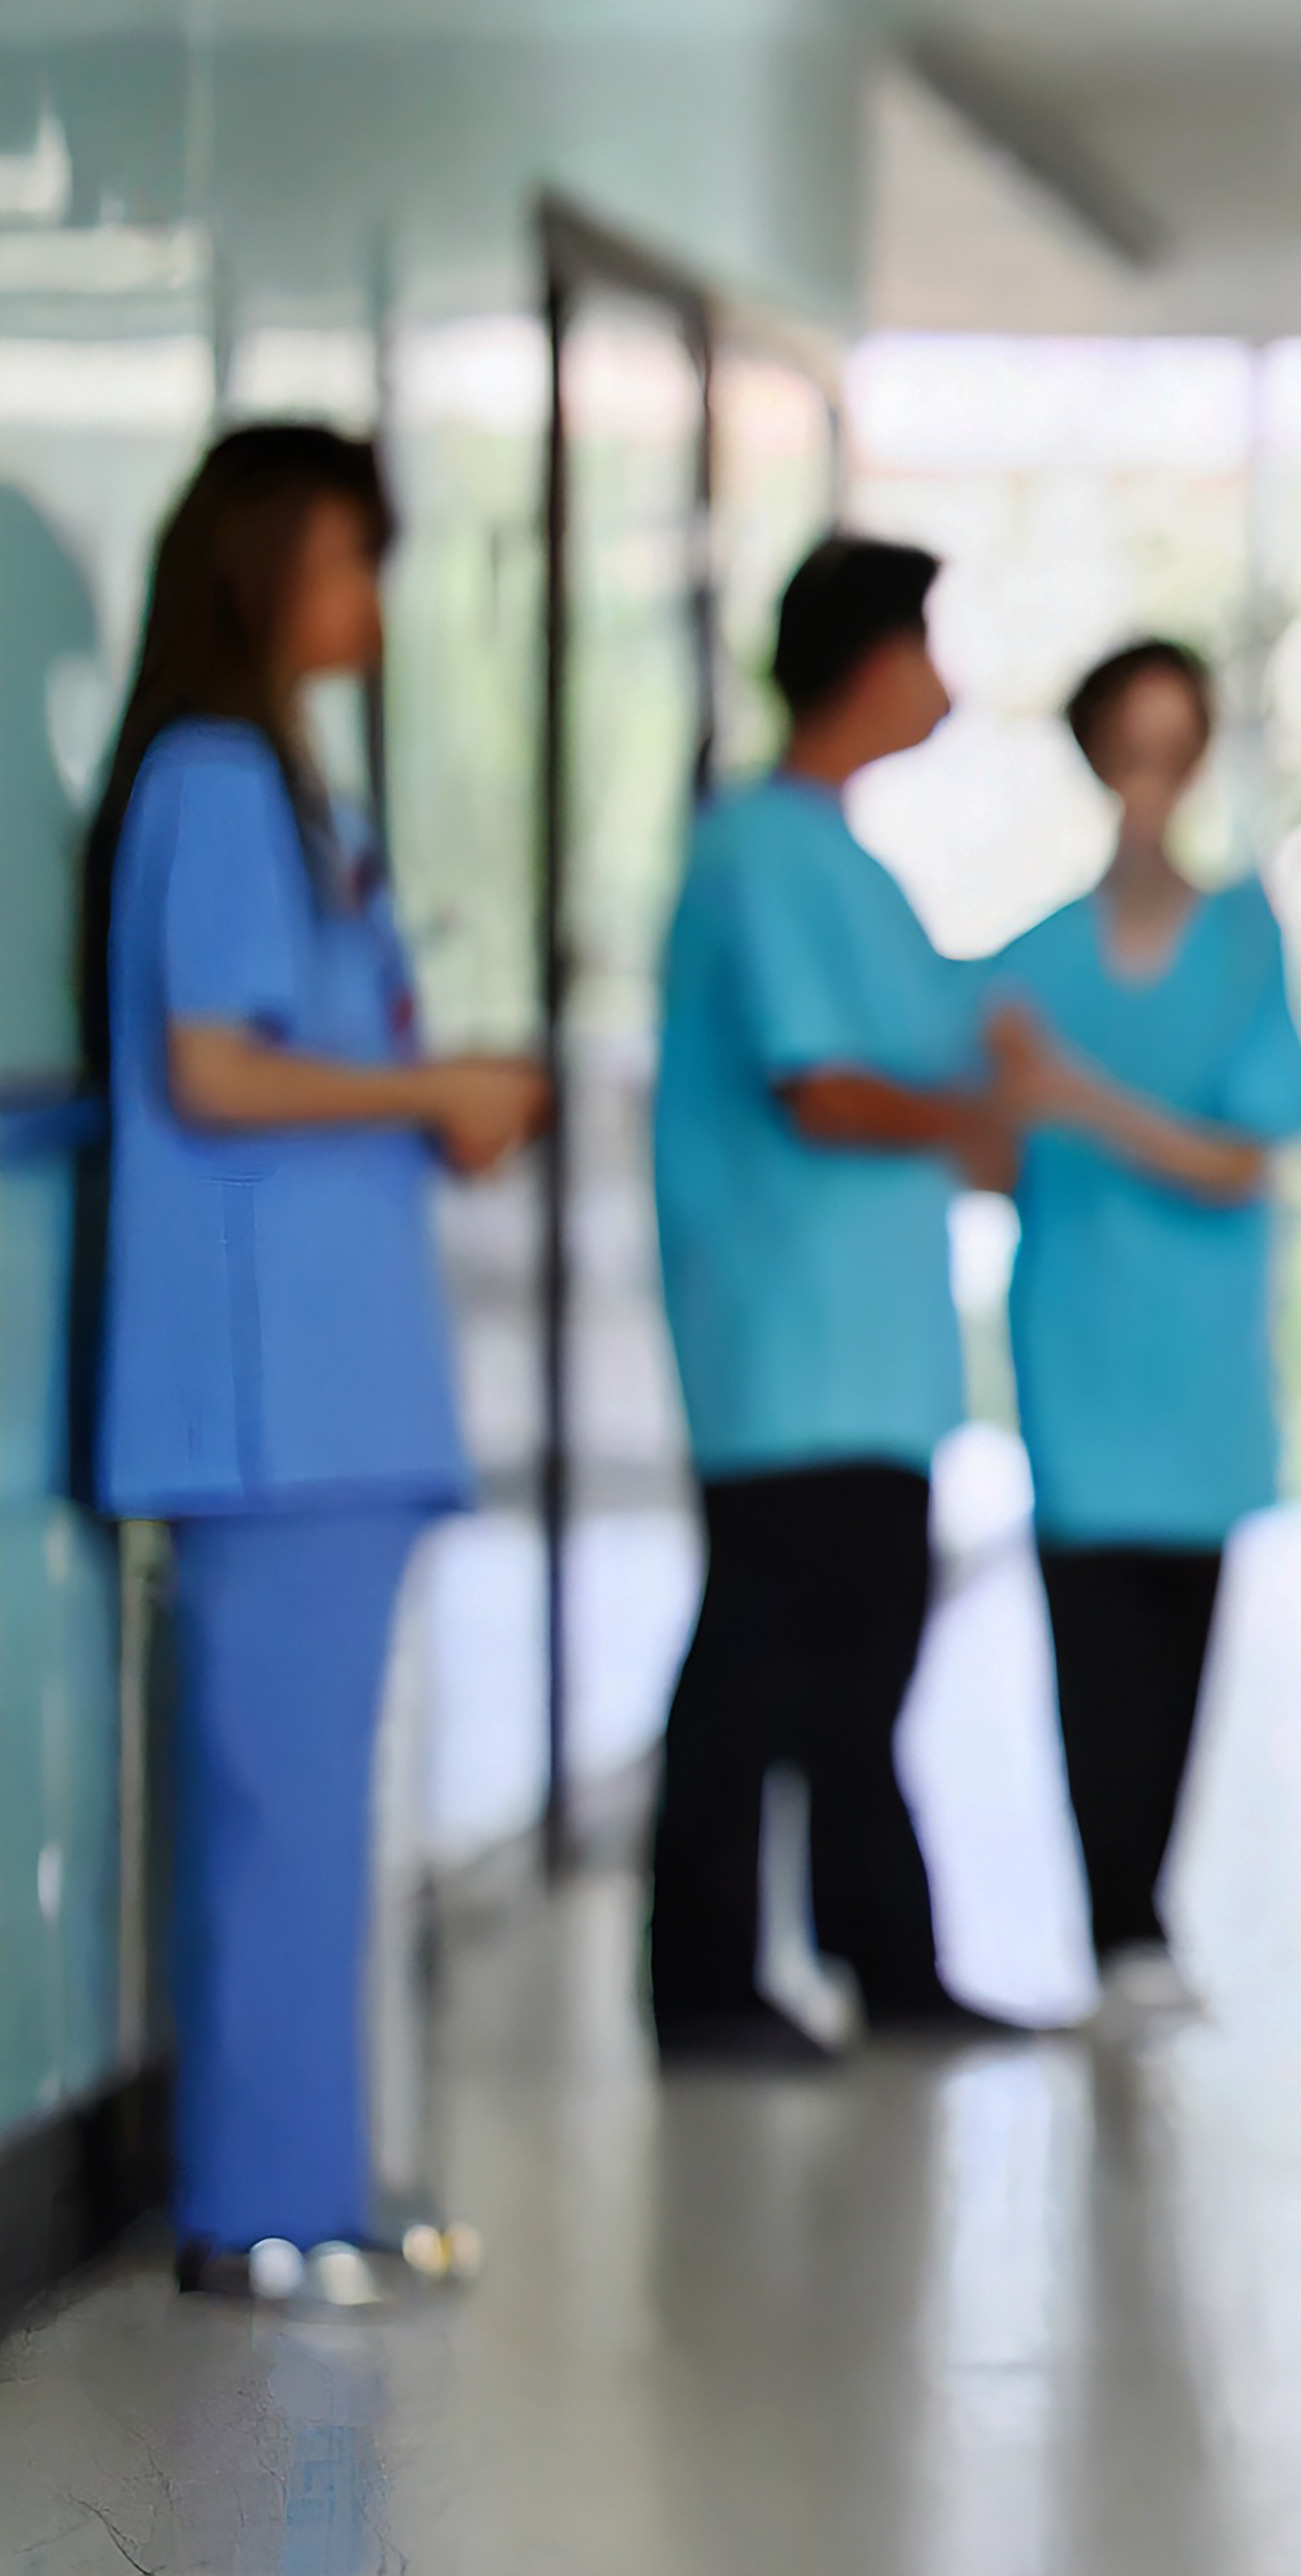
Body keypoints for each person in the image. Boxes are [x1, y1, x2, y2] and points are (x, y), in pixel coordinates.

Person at [80, 425, 548, 2300]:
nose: (373, 598)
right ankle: (259, 2202)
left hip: (348, 1387)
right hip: (268, 1392)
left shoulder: (305, 800)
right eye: (351, 559)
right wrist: (433, 1085)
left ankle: (316, 2176)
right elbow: (212, 1064)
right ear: (264, 566)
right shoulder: (210, 784)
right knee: (277, 1814)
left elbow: (321, 1052)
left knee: (324, 1814)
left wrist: (441, 1101)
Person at [646, 535, 1026, 2066]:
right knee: (762, 1659)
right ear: (874, 659)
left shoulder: (846, 858)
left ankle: (889, 1957)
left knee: (862, 1662)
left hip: (861, 1348)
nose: (945, 681)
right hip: (785, 1336)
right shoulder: (760, 850)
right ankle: (710, 1982)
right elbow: (823, 1083)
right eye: (928, 645)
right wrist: (965, 1123)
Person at [983, 639, 1301, 2024]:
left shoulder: (1246, 938)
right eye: (1129, 741)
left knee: (1177, 1638)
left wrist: (1078, 1097)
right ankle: (1112, 1920)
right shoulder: (1032, 962)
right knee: (1089, 1637)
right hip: (1077, 1337)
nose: (1152, 773)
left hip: (1200, 1354)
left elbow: (1246, 1157)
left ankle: (1145, 1923)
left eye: (1176, 743)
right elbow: (979, 1140)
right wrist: (1036, 1106)